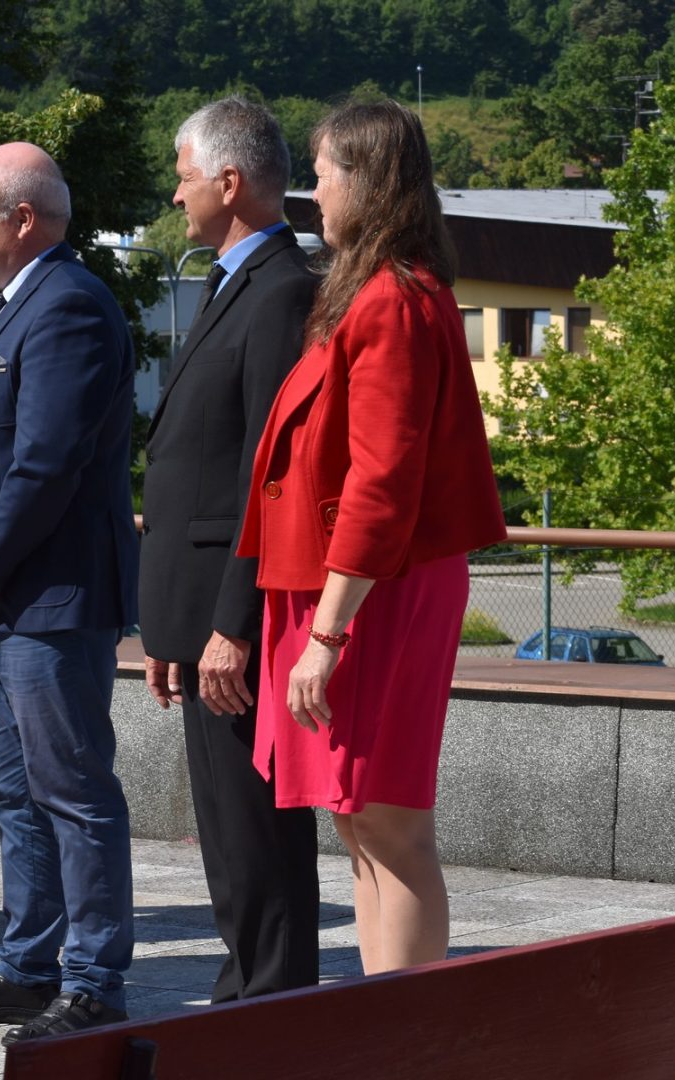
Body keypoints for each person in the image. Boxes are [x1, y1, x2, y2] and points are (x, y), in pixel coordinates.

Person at [236, 100, 506, 975]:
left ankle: (409, 1029)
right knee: (358, 820)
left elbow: (382, 480)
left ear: (367, 181)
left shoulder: (393, 298)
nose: (313, 193)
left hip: (371, 590)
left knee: (387, 820)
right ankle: (382, 1017)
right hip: (350, 587)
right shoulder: (372, 291)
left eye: (322, 175)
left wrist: (327, 635)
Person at [0, 142, 139, 1045]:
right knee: (14, 792)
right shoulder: (8, 303)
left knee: (72, 791)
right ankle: (27, 968)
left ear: (23, 217)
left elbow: (47, 463)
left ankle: (93, 982)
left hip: (48, 598)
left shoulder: (69, 305)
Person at [138, 97, 321, 1002]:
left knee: (256, 830)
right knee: (225, 829)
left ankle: (271, 1004)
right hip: (201, 610)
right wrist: (176, 625)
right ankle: (244, 993)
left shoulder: (282, 289)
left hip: (236, 617)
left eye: (183, 177)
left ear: (229, 180)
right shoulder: (230, 283)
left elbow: (266, 472)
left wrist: (230, 625)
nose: (176, 196)